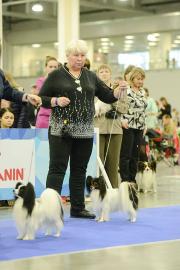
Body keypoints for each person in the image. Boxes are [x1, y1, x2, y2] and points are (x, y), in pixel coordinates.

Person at [38, 39, 127, 219]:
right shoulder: (56, 75)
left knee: (80, 169)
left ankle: (78, 208)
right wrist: (56, 101)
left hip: (85, 131)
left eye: (82, 55)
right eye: (76, 55)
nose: (79, 59)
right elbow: (41, 98)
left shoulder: (90, 76)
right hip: (60, 131)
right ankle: (51, 209)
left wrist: (118, 91)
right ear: (67, 56)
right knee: (57, 169)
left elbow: (108, 96)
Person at [94, 64, 127, 188]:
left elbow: (124, 108)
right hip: (98, 130)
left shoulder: (120, 89)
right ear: (97, 74)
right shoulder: (93, 90)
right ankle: (99, 190)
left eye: (106, 71)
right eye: (101, 71)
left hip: (115, 130)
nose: (104, 73)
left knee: (113, 164)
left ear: (110, 74)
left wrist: (112, 99)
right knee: (98, 163)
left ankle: (114, 191)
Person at [120, 67, 147, 183]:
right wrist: (121, 119)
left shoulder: (143, 92)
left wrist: (145, 124)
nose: (140, 81)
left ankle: (132, 178)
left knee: (136, 154)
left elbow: (143, 110)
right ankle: (125, 179)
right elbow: (119, 106)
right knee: (126, 154)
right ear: (132, 79)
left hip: (140, 126)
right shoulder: (126, 90)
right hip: (128, 126)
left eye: (142, 79)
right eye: (138, 79)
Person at [35, 56, 59, 128]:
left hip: (58, 118)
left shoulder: (62, 82)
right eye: (50, 66)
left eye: (55, 67)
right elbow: (41, 98)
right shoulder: (40, 81)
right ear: (46, 67)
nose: (53, 69)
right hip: (44, 117)